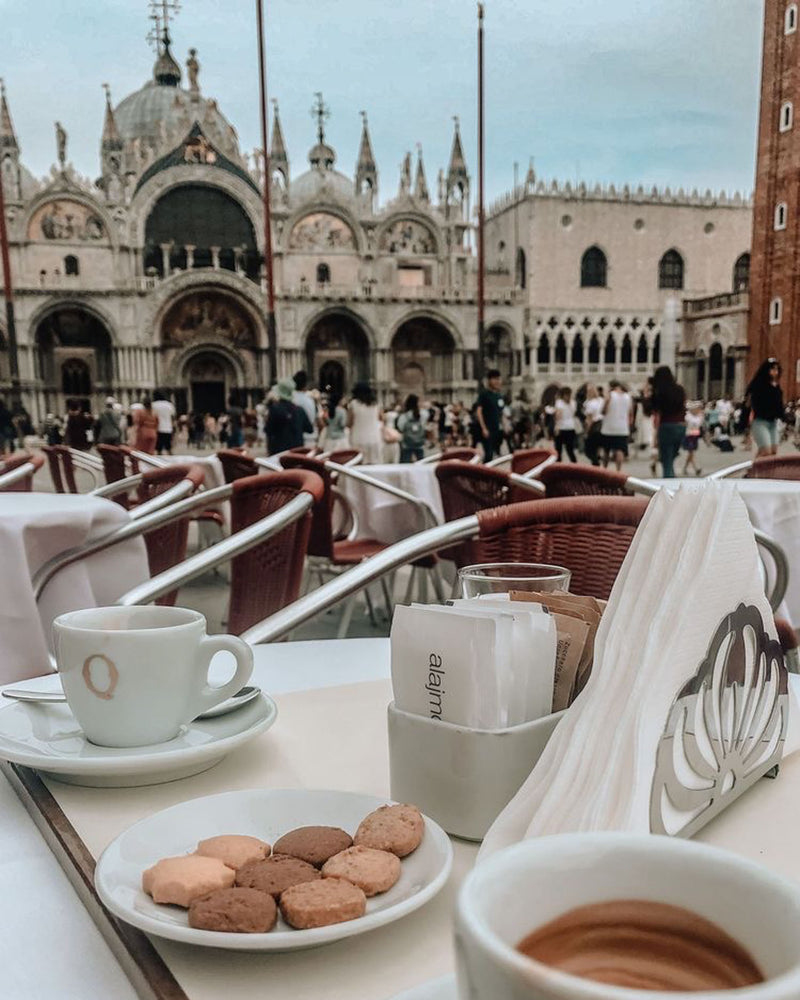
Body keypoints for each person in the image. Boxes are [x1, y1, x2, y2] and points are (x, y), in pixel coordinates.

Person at [651, 366, 687, 479]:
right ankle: (672, 476)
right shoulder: (680, 390)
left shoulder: (659, 392)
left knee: (666, 459)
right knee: (671, 457)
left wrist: (656, 435)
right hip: (681, 427)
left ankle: (669, 483)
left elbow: (657, 413)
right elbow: (684, 407)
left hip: (666, 426)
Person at [746, 358, 784, 457]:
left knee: (773, 450)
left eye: (777, 369)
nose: (775, 372)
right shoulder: (759, 385)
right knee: (765, 451)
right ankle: (754, 470)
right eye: (772, 369)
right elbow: (750, 401)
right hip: (760, 422)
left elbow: (779, 404)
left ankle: (762, 470)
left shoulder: (777, 386)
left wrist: (783, 417)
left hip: (773, 422)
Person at [265, 378, 313, 455]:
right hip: (297, 452)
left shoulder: (274, 409)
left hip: (279, 453)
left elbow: (268, 430)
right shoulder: (300, 410)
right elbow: (309, 429)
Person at [347, 382, 383, 464]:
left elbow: (349, 422)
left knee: (359, 465)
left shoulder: (353, 404)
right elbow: (382, 418)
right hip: (375, 437)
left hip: (358, 437)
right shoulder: (376, 404)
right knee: (374, 464)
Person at [601, 381, 632, 471]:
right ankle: (618, 470)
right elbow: (630, 413)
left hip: (608, 427)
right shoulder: (628, 397)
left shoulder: (610, 395)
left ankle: (604, 470)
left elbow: (604, 411)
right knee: (620, 450)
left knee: (606, 451)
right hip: (622, 428)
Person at [475, 369, 505, 462]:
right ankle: (484, 473)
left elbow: (501, 412)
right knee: (488, 453)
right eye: (495, 379)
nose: (497, 382)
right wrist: (483, 428)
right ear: (489, 380)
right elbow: (479, 411)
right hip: (487, 428)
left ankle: (487, 471)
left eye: (498, 379)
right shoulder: (484, 394)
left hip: (496, 428)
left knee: (494, 453)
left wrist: (504, 425)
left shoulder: (499, 396)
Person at [397, 394, 429, 463]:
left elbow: (400, 427)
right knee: (422, 462)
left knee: (406, 462)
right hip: (420, 442)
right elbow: (424, 424)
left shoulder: (404, 416)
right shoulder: (423, 414)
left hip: (407, 443)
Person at [292, 371, 319, 448]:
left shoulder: (290, 399)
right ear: (306, 384)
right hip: (310, 439)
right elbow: (315, 419)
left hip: (294, 440)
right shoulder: (310, 400)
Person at [554, 386, 578, 462]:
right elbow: (573, 414)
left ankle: (558, 466)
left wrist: (557, 426)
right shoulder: (573, 403)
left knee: (558, 449)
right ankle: (574, 466)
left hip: (562, 428)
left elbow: (558, 416)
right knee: (570, 449)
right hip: (571, 427)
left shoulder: (559, 403)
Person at [151, 390, 176, 455]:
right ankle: (172, 461)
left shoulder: (153, 405)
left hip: (158, 428)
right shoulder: (169, 405)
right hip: (168, 428)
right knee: (169, 447)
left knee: (158, 449)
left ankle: (160, 463)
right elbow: (172, 417)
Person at [682, 403, 704, 476]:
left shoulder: (699, 417)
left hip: (695, 435)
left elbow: (700, 426)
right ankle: (696, 468)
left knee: (691, 453)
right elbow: (684, 425)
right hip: (689, 435)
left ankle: (685, 468)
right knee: (691, 453)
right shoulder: (687, 416)